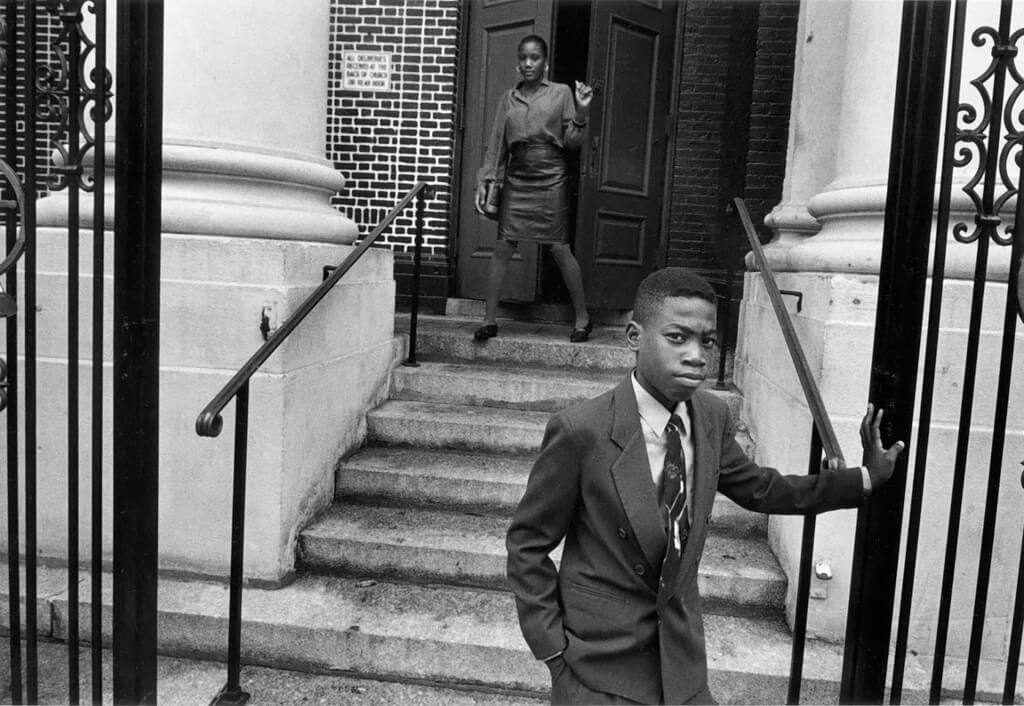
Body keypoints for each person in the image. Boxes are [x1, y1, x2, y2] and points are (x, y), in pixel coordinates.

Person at [505, 268, 906, 705]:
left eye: (708, 341)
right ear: (635, 336)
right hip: (597, 670)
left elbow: (762, 489)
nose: (697, 355)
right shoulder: (582, 430)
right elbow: (528, 545)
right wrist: (554, 654)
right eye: (677, 337)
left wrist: (862, 479)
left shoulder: (709, 416)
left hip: (681, 664)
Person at [473, 34, 594, 343]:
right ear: (518, 62)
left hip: (551, 175)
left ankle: (583, 318)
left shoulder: (561, 93)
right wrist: (487, 180)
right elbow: (497, 143)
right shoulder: (508, 99)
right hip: (517, 176)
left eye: (535, 57)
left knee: (559, 247)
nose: (528, 63)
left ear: (546, 62)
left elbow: (572, 142)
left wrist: (580, 112)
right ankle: (489, 320)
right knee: (503, 246)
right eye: (524, 57)